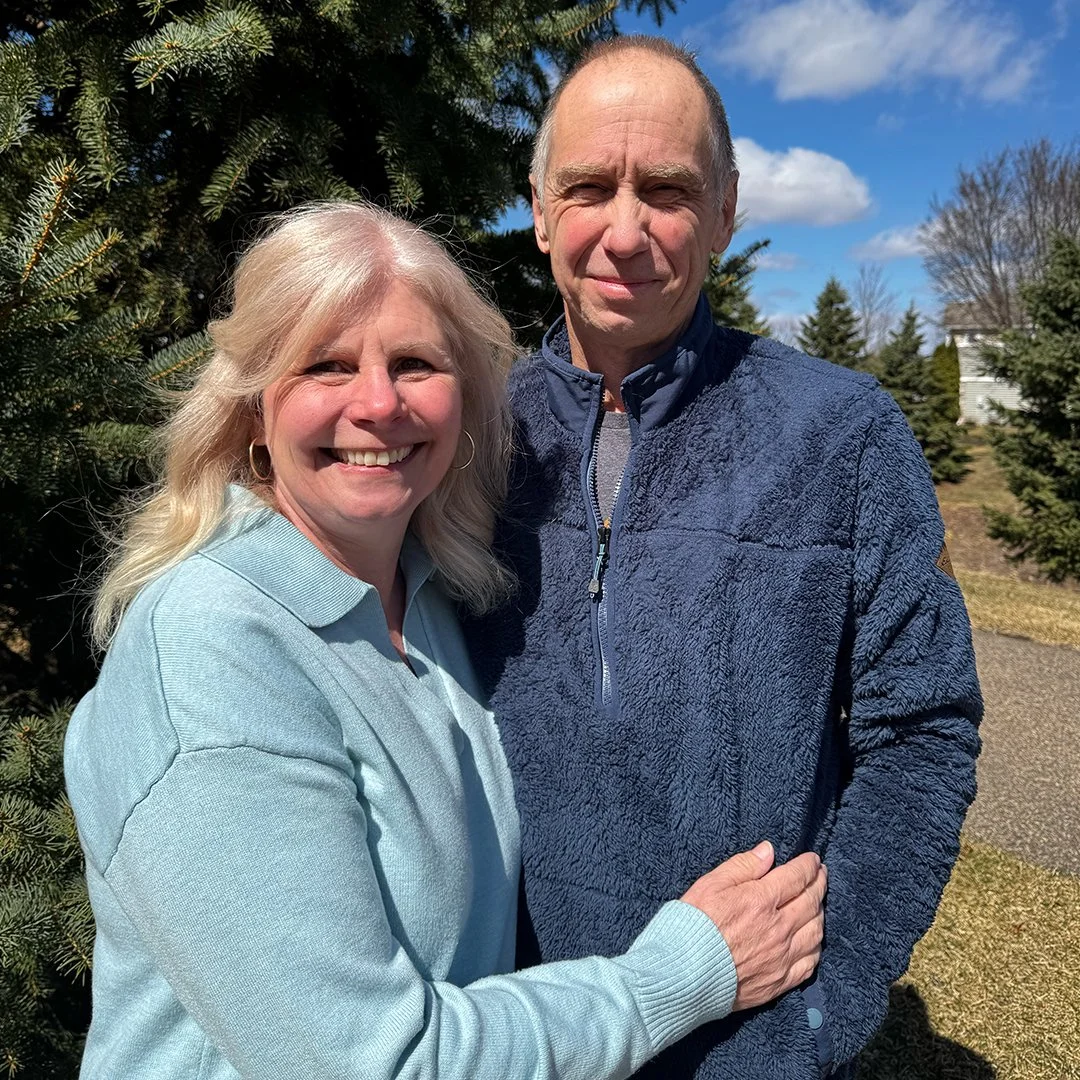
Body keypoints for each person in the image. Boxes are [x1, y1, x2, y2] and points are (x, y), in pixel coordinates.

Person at [64, 200, 827, 1079]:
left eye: (416, 363)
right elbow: (377, 1063)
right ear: (252, 410)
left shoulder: (422, 595)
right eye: (328, 365)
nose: (379, 403)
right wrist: (680, 974)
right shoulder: (212, 650)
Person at [463, 36, 983, 1080]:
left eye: (666, 188)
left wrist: (821, 1010)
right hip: (508, 1027)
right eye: (588, 188)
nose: (624, 229)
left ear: (727, 209)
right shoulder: (468, 439)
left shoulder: (843, 435)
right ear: (537, 208)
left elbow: (922, 729)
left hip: (746, 1040)